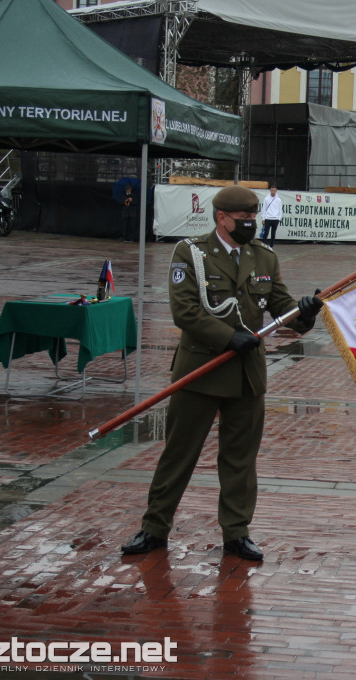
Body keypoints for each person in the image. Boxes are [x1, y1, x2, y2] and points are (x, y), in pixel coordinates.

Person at [121, 185, 323, 562]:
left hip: (246, 375)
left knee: (240, 460)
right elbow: (185, 311)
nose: (252, 225)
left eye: (254, 219)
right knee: (179, 453)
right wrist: (229, 338)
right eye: (245, 220)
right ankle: (154, 527)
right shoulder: (191, 253)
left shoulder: (263, 257)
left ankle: (236, 532)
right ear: (222, 218)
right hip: (200, 370)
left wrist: (305, 312)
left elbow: (281, 307)